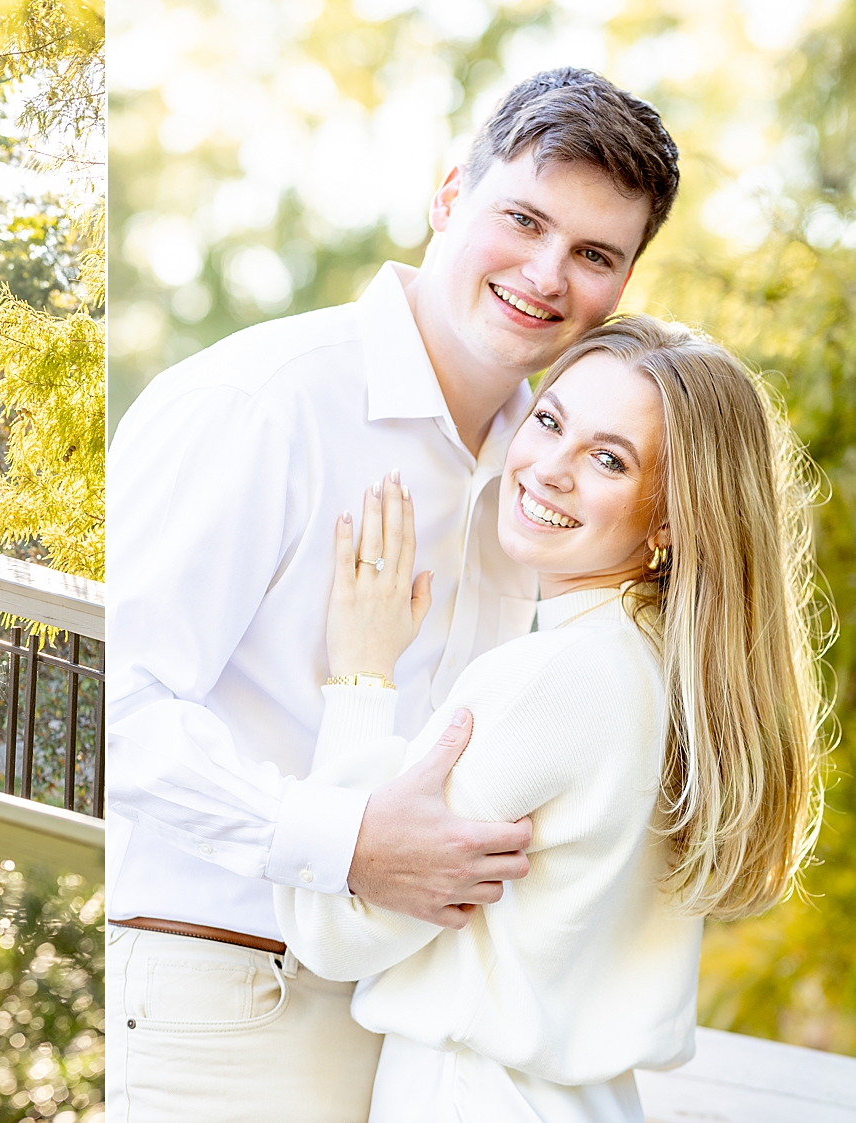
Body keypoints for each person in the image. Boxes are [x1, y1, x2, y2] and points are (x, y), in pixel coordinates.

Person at [106, 67, 681, 1122]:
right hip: (230, 990)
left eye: (594, 254)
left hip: (411, 1022)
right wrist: (344, 840)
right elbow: (112, 707)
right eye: (524, 219)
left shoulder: (546, 476)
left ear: (622, 283)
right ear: (450, 194)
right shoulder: (263, 403)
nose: (547, 274)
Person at [275, 314, 826, 1122]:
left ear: (671, 515)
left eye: (609, 458)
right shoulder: (674, 676)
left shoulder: (554, 678)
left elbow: (334, 926)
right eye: (549, 420)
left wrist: (362, 674)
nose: (549, 469)